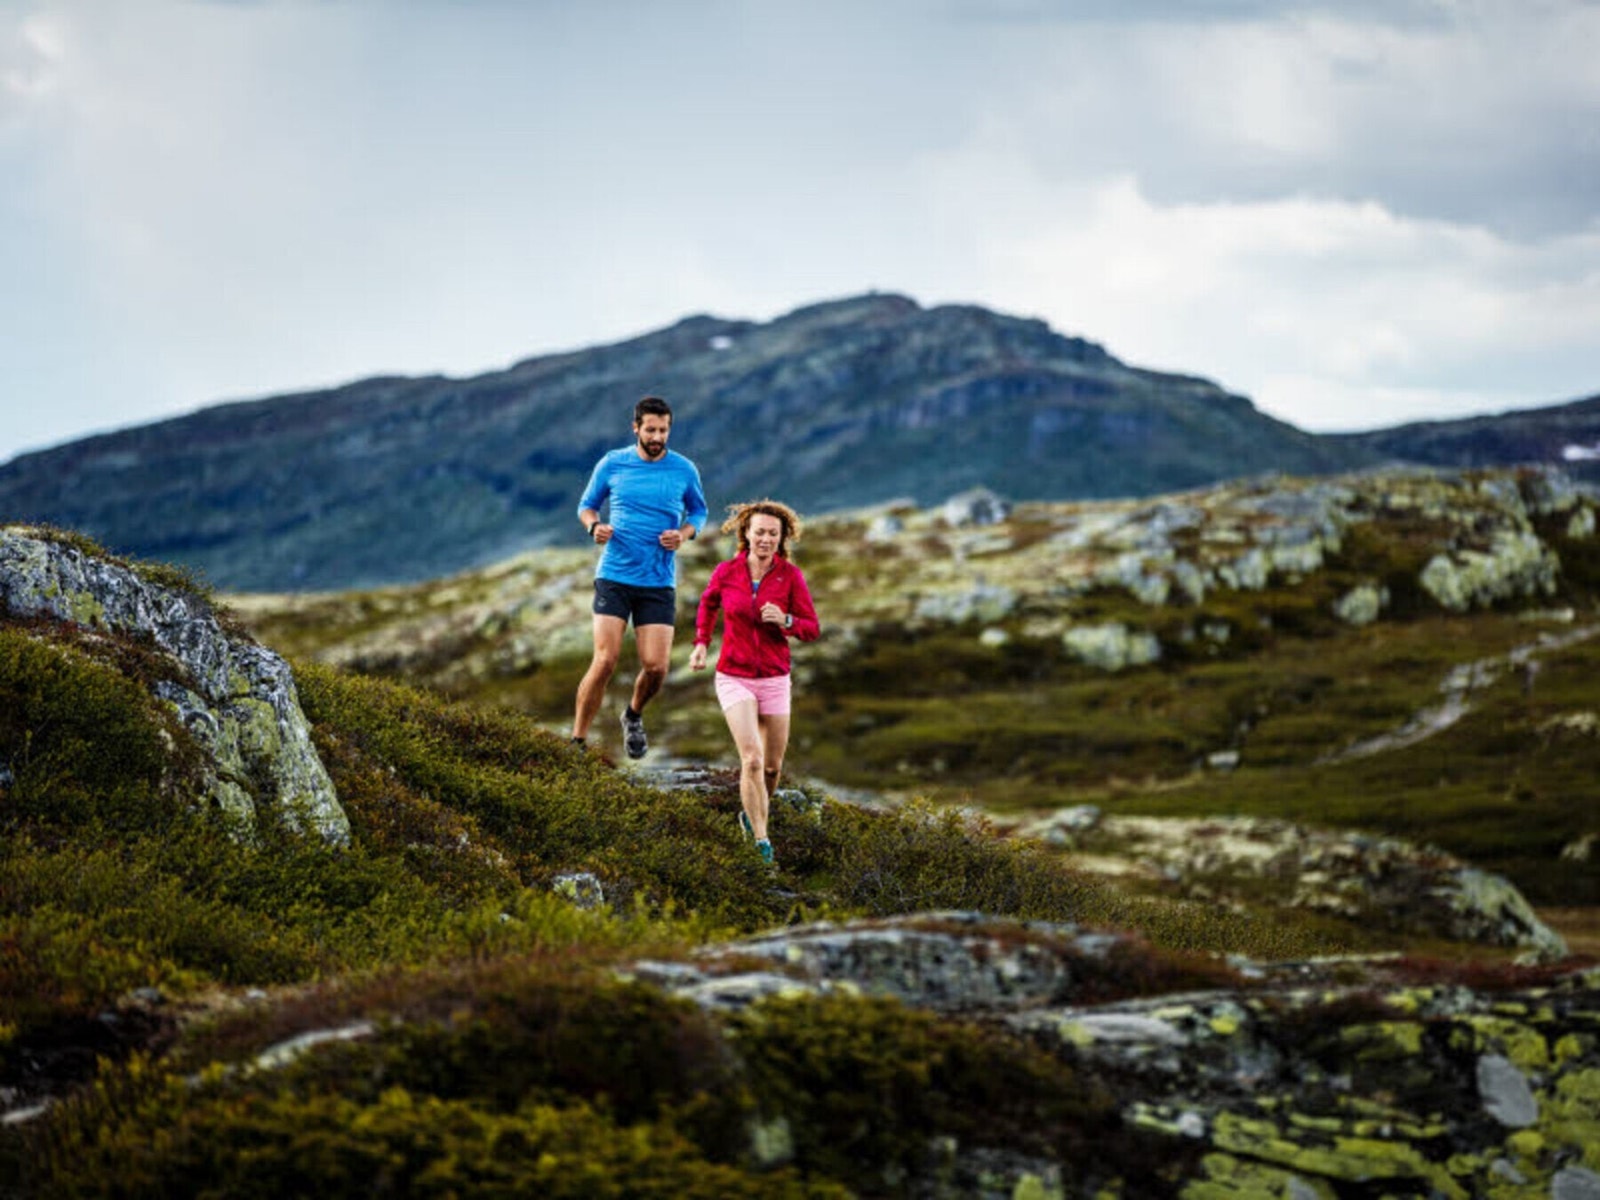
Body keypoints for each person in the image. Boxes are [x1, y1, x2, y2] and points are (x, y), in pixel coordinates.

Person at [571, 395, 708, 757]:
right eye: (650, 430)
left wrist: (684, 534)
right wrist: (594, 527)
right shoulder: (613, 463)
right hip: (615, 575)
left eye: (663, 430)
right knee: (605, 660)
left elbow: (698, 512)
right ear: (636, 428)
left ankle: (633, 715)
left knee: (657, 667)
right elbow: (586, 506)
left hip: (657, 581)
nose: (657, 437)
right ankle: (577, 742)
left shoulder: (684, 470)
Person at [688, 500, 820, 865]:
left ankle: (751, 815)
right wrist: (701, 643)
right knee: (752, 759)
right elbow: (708, 604)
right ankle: (762, 842)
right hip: (734, 676)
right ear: (746, 533)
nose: (765, 539)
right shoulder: (727, 572)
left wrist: (786, 620)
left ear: (782, 538)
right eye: (759, 532)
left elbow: (812, 628)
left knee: (772, 768)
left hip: (775, 679)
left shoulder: (790, 577)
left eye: (773, 534)